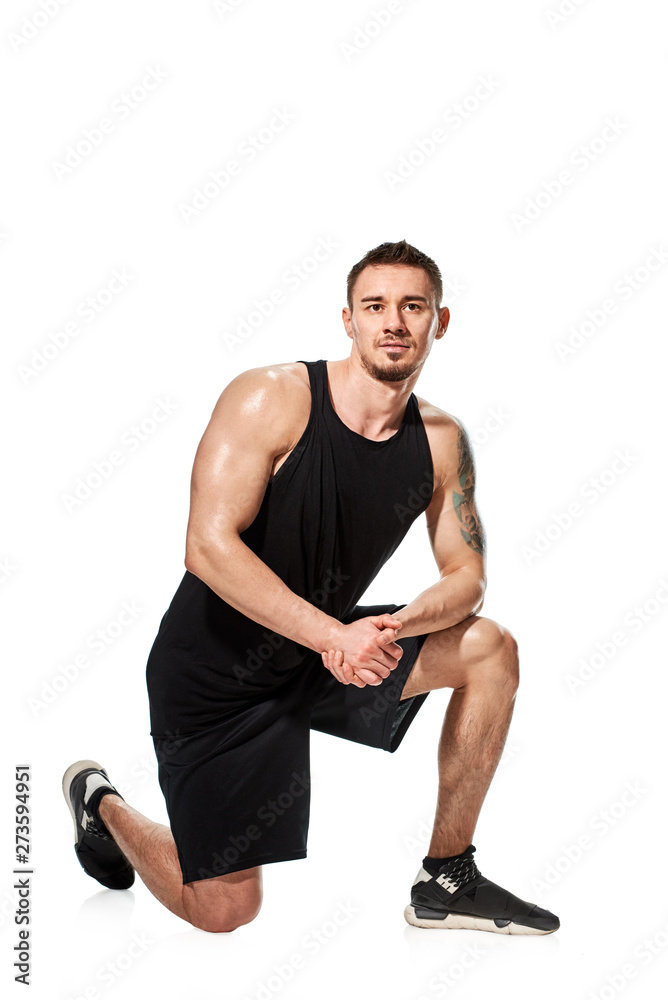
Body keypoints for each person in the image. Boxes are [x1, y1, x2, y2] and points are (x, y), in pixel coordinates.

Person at [62, 240, 559, 936]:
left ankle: (446, 876)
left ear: (439, 322)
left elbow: (468, 576)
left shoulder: (442, 441)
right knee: (226, 910)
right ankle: (103, 806)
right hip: (216, 678)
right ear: (348, 320)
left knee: (489, 649)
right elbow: (207, 545)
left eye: (412, 306)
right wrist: (335, 637)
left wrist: (400, 625)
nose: (393, 322)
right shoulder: (270, 397)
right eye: (375, 306)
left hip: (325, 652)